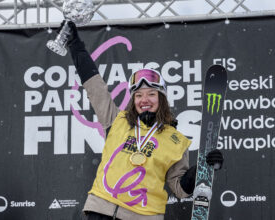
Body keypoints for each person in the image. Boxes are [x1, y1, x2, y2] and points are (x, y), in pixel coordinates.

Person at [61, 21, 224, 220]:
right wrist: (76, 45)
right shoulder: (117, 120)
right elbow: (95, 86)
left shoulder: (176, 141)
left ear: (161, 98)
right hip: (100, 211)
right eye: (138, 95)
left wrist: (201, 168)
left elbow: (180, 190)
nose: (144, 100)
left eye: (151, 94)